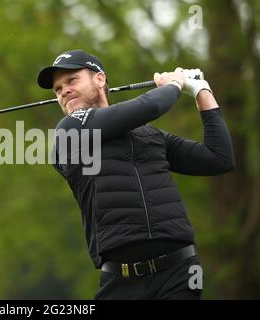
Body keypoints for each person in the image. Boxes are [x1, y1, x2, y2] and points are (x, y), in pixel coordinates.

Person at [37, 49, 235, 300]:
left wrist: (201, 90)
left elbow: (219, 159)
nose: (63, 91)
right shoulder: (69, 131)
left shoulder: (150, 135)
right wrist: (175, 82)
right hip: (121, 282)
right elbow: (152, 104)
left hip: (179, 272)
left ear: (100, 79)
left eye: (71, 80)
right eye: (57, 89)